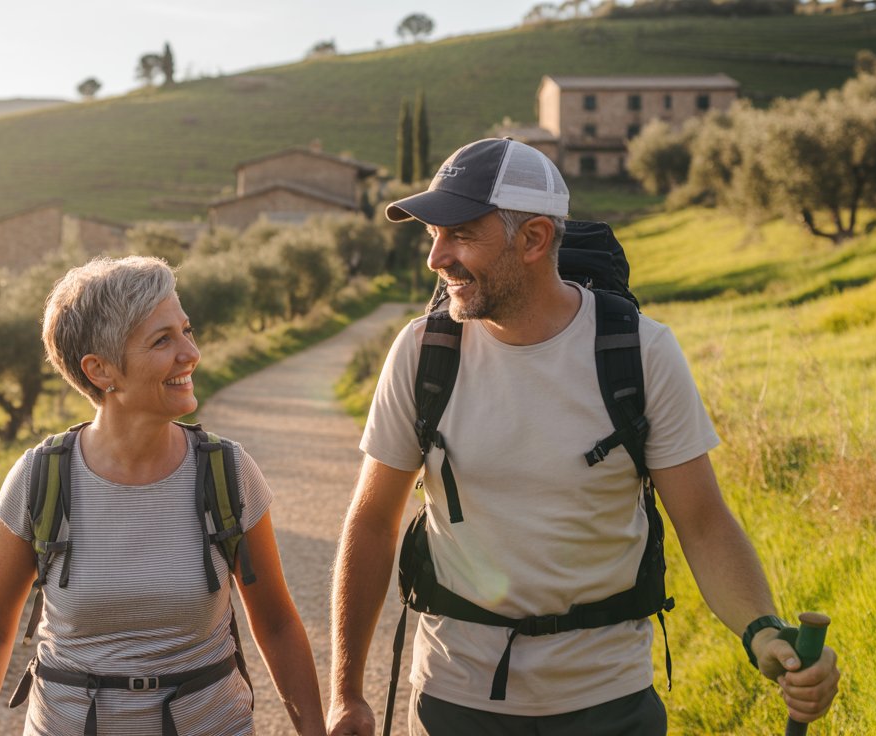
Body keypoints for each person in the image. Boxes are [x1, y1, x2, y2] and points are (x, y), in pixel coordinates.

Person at [326, 138, 841, 735]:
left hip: (610, 702)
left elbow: (703, 522)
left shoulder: (642, 352)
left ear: (535, 240)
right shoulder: (422, 353)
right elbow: (371, 521)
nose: (436, 258)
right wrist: (346, 692)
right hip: (455, 696)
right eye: (433, 235)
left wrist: (761, 630)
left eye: (461, 233)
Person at [0, 255, 326, 736]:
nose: (190, 353)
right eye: (162, 340)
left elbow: (275, 623)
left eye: (186, 331)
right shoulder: (38, 479)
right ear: (100, 369)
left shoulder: (228, 473)